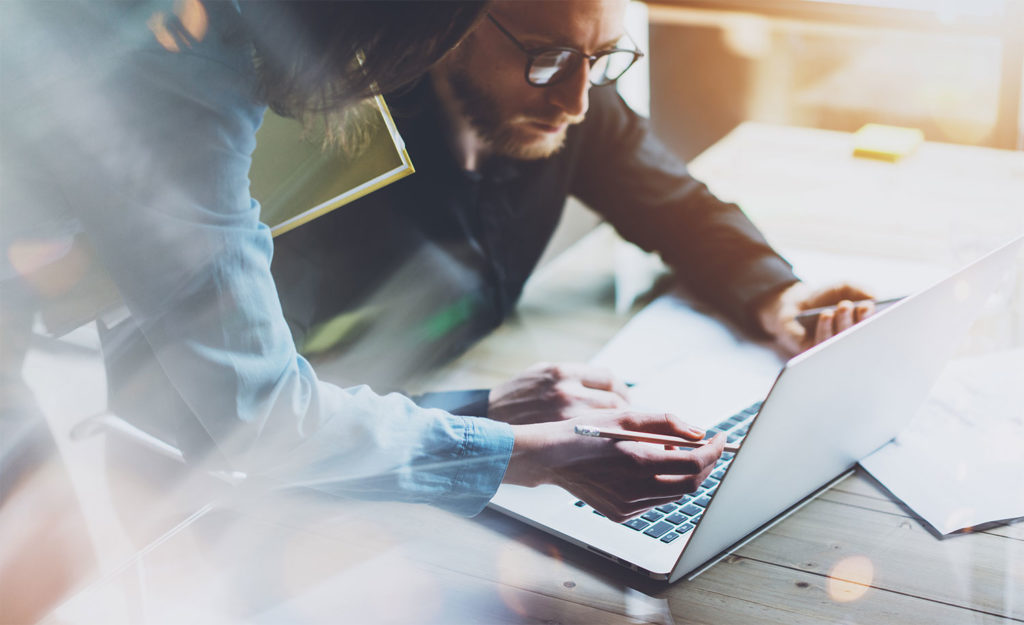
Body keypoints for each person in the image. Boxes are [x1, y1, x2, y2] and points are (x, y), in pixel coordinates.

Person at [1, 0, 724, 532]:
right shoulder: (190, 75)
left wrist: (483, 418)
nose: (575, 98)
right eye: (545, 55)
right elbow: (242, 412)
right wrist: (516, 451)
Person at [270, 0, 876, 417]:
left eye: (600, 58)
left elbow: (677, 207)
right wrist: (483, 413)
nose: (578, 101)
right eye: (547, 57)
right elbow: (262, 409)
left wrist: (776, 296)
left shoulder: (565, 101)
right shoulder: (324, 171)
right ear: (448, 22)